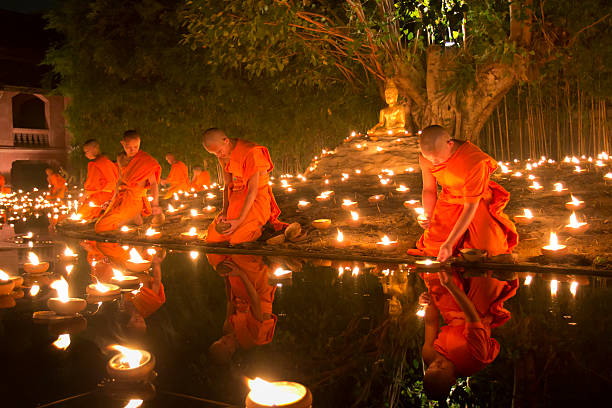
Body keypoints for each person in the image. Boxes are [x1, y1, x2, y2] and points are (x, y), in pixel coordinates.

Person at [408, 125, 518, 262]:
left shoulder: (474, 161)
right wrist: (428, 215)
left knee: (486, 251)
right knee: (433, 249)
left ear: (450, 144)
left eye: (436, 159)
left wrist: (449, 243)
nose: (433, 163)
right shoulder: (428, 158)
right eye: (429, 159)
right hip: (449, 200)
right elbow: (429, 189)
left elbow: (470, 207)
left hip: (477, 201)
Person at [420, 269, 518, 400]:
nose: (437, 361)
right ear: (452, 381)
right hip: (478, 309)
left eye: (431, 366)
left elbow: (431, 323)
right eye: (441, 367)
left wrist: (428, 303)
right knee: (486, 263)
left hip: (451, 310)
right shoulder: (474, 360)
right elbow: (472, 315)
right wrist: (450, 286)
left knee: (435, 269)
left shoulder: (429, 356)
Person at [202, 128, 285, 244]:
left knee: (238, 239)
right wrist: (225, 211)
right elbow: (227, 185)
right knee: (213, 238)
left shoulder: (251, 152)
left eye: (219, 151)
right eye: (215, 154)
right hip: (237, 198)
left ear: (226, 141)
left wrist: (240, 220)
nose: (219, 155)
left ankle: (263, 228)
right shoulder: (222, 155)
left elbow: (253, 190)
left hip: (256, 198)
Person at [208, 254, 277, 364]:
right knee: (239, 257)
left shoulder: (227, 330)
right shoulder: (253, 338)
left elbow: (230, 301)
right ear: (231, 351)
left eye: (220, 339)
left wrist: (226, 275)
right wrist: (240, 274)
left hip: (241, 287)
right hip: (258, 289)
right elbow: (255, 300)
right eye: (225, 342)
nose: (224, 337)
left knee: (215, 257)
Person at [95, 130, 161, 233]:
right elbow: (120, 180)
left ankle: (133, 215)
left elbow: (153, 183)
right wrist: (112, 200)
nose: (132, 150)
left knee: (100, 226)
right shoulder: (120, 158)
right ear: (122, 143)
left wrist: (155, 204)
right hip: (122, 195)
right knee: (103, 219)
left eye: (136, 147)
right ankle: (133, 217)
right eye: (129, 147)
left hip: (134, 199)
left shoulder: (144, 160)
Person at [77, 139, 119, 221]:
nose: (86, 154)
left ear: (95, 148)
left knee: (80, 215)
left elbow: (92, 186)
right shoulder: (107, 161)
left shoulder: (95, 164)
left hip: (101, 196)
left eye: (87, 151)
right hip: (113, 195)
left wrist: (83, 197)